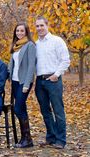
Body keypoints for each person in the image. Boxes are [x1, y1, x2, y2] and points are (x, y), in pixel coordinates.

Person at [35, 16, 70, 149]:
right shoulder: (35, 44)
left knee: (58, 111)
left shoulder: (57, 41)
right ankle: (51, 137)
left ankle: (61, 140)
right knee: (45, 111)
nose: (39, 28)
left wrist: (56, 75)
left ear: (47, 25)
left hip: (53, 80)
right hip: (40, 81)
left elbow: (65, 60)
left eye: (41, 25)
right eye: (37, 26)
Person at [9, 22, 36, 148]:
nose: (19, 33)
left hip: (24, 82)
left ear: (26, 32)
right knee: (21, 108)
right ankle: (25, 139)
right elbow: (13, 65)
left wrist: (27, 83)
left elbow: (31, 65)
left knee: (18, 108)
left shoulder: (30, 45)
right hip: (15, 81)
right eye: (17, 31)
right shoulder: (15, 46)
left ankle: (27, 138)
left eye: (22, 31)